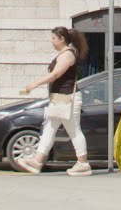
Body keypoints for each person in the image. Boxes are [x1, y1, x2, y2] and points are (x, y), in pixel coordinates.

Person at [19, 26, 90, 176]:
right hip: (60, 99)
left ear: (61, 39)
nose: (51, 41)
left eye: (53, 38)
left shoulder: (67, 55)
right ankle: (37, 161)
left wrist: (34, 84)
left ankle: (83, 164)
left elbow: (56, 74)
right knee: (49, 129)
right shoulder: (64, 54)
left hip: (67, 99)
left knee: (74, 131)